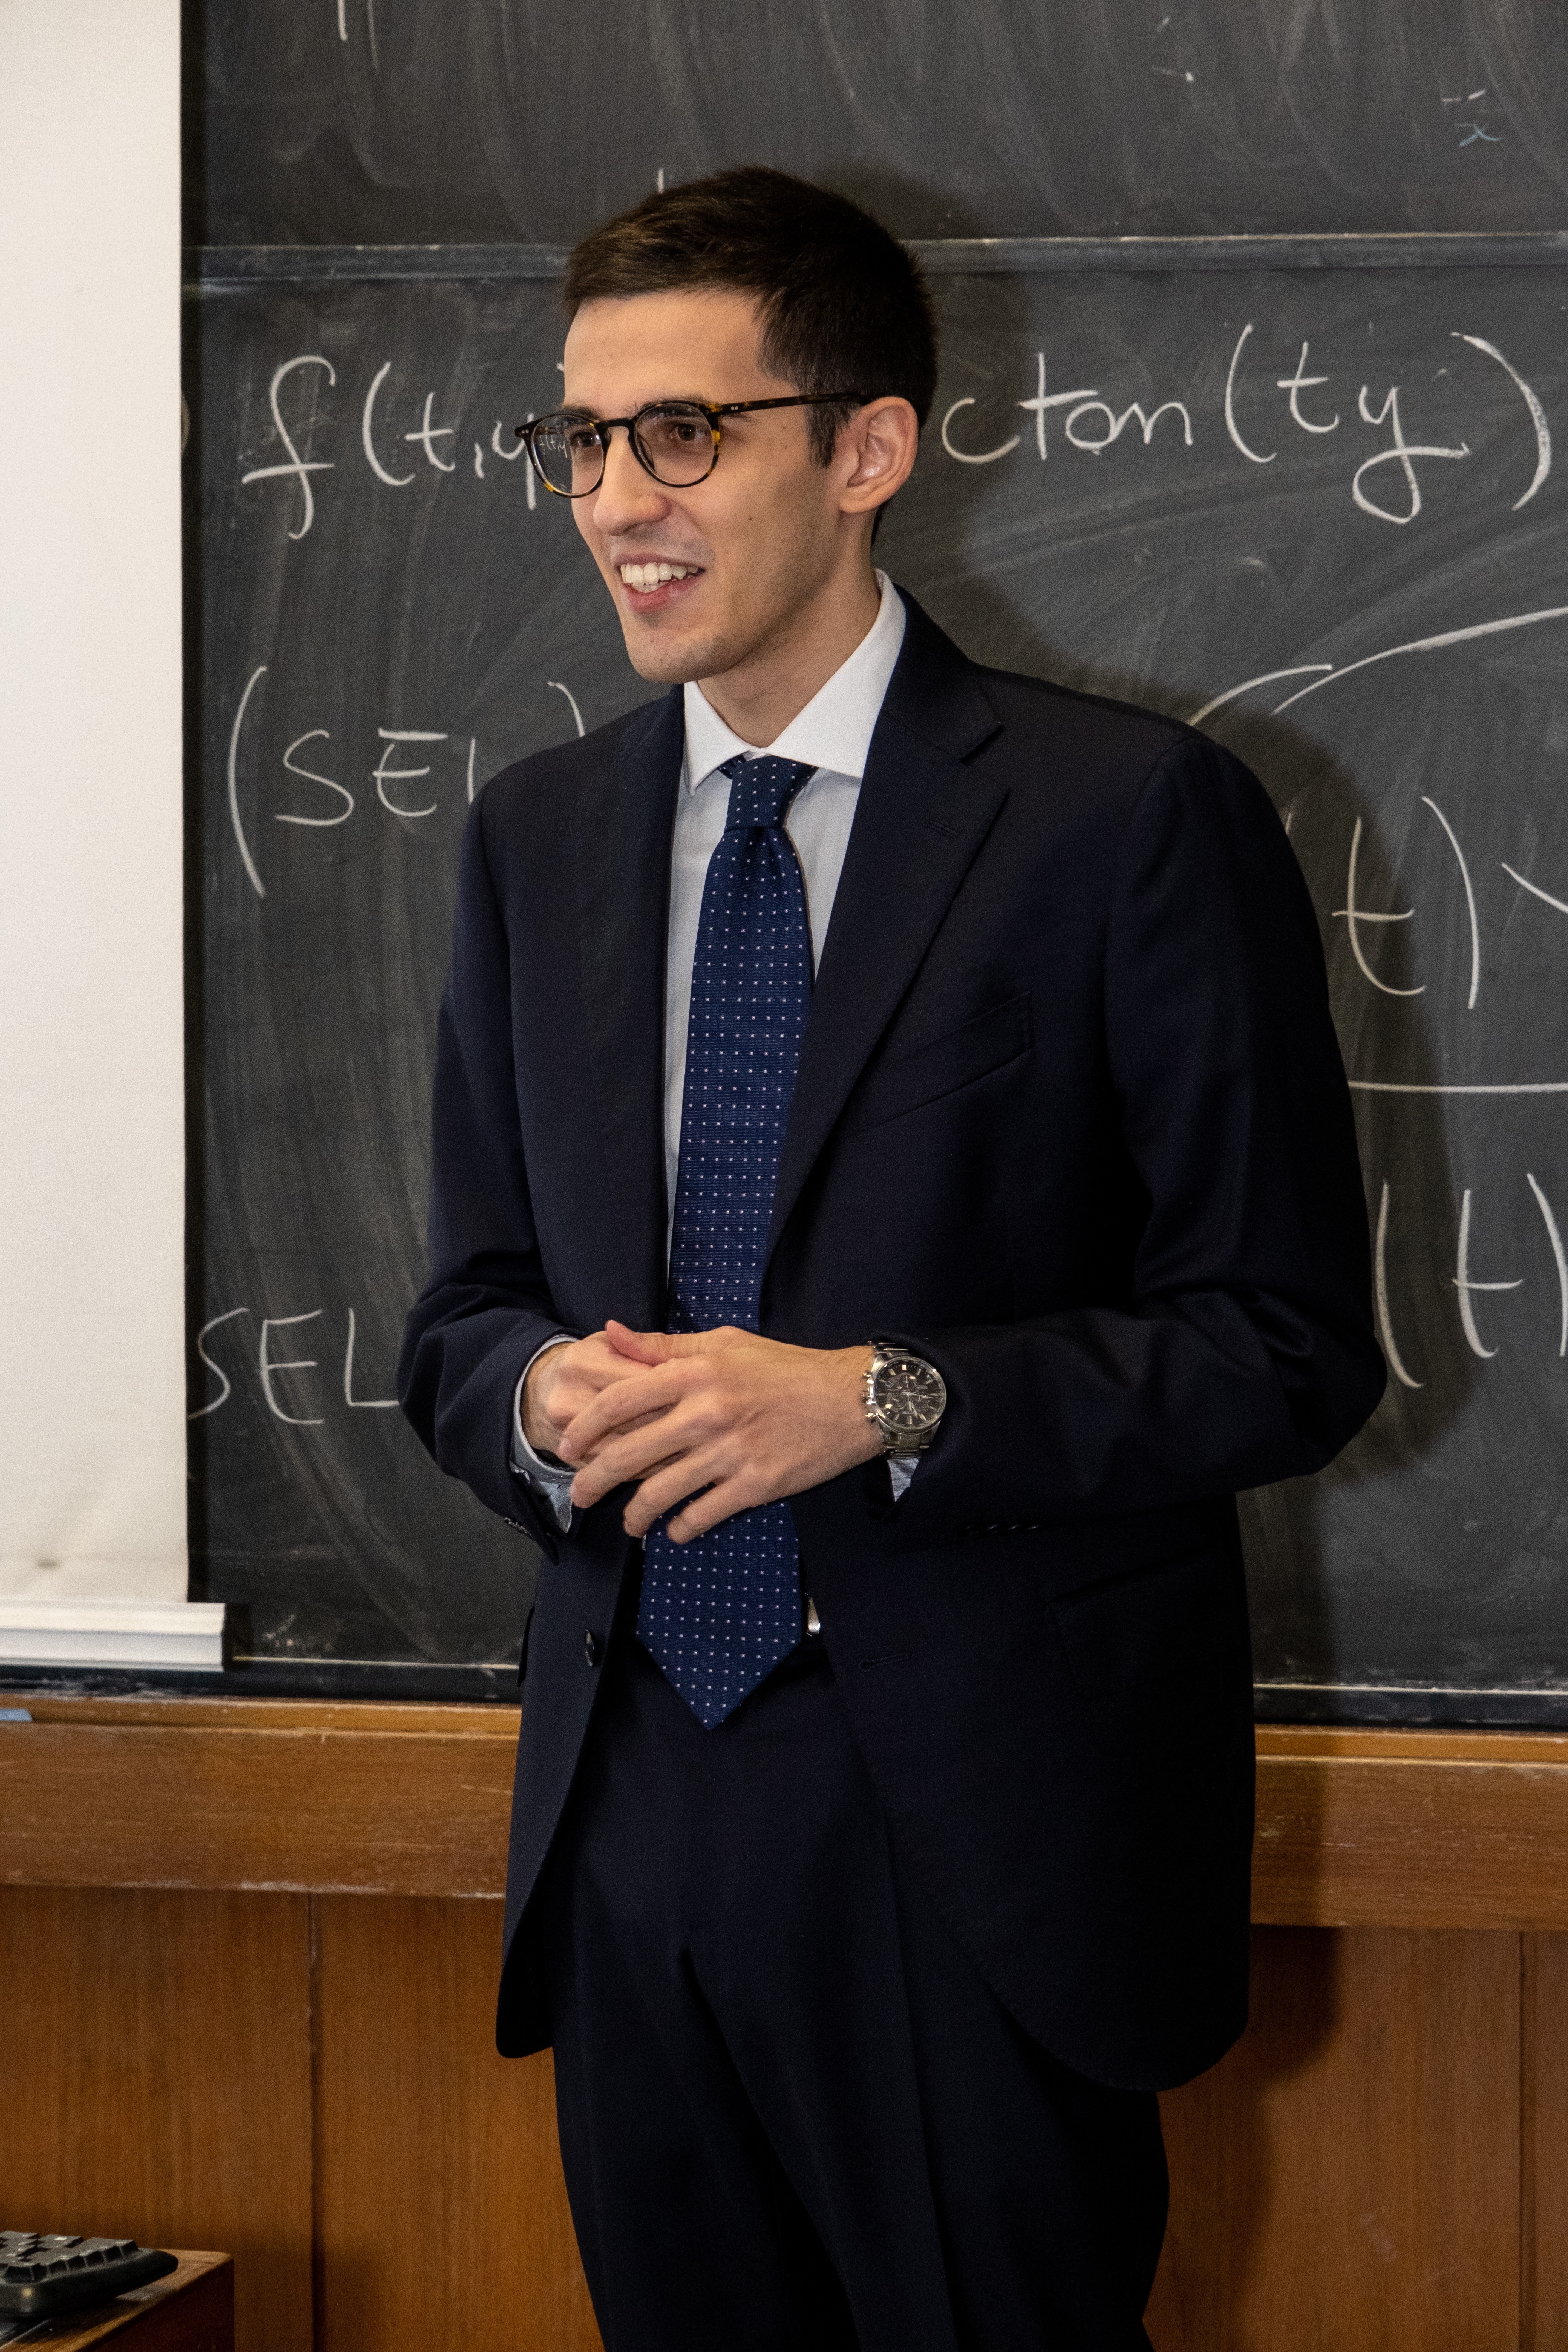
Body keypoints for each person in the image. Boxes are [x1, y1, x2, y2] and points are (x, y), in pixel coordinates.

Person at [399, 164, 1385, 2352]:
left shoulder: (1128, 821)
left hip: (976, 1822)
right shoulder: (536, 841)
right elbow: (462, 1312)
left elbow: (1287, 1347)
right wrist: (537, 1405)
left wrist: (883, 1399)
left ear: (863, 452)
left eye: (685, 432)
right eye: (580, 439)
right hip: (632, 1792)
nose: (615, 501)